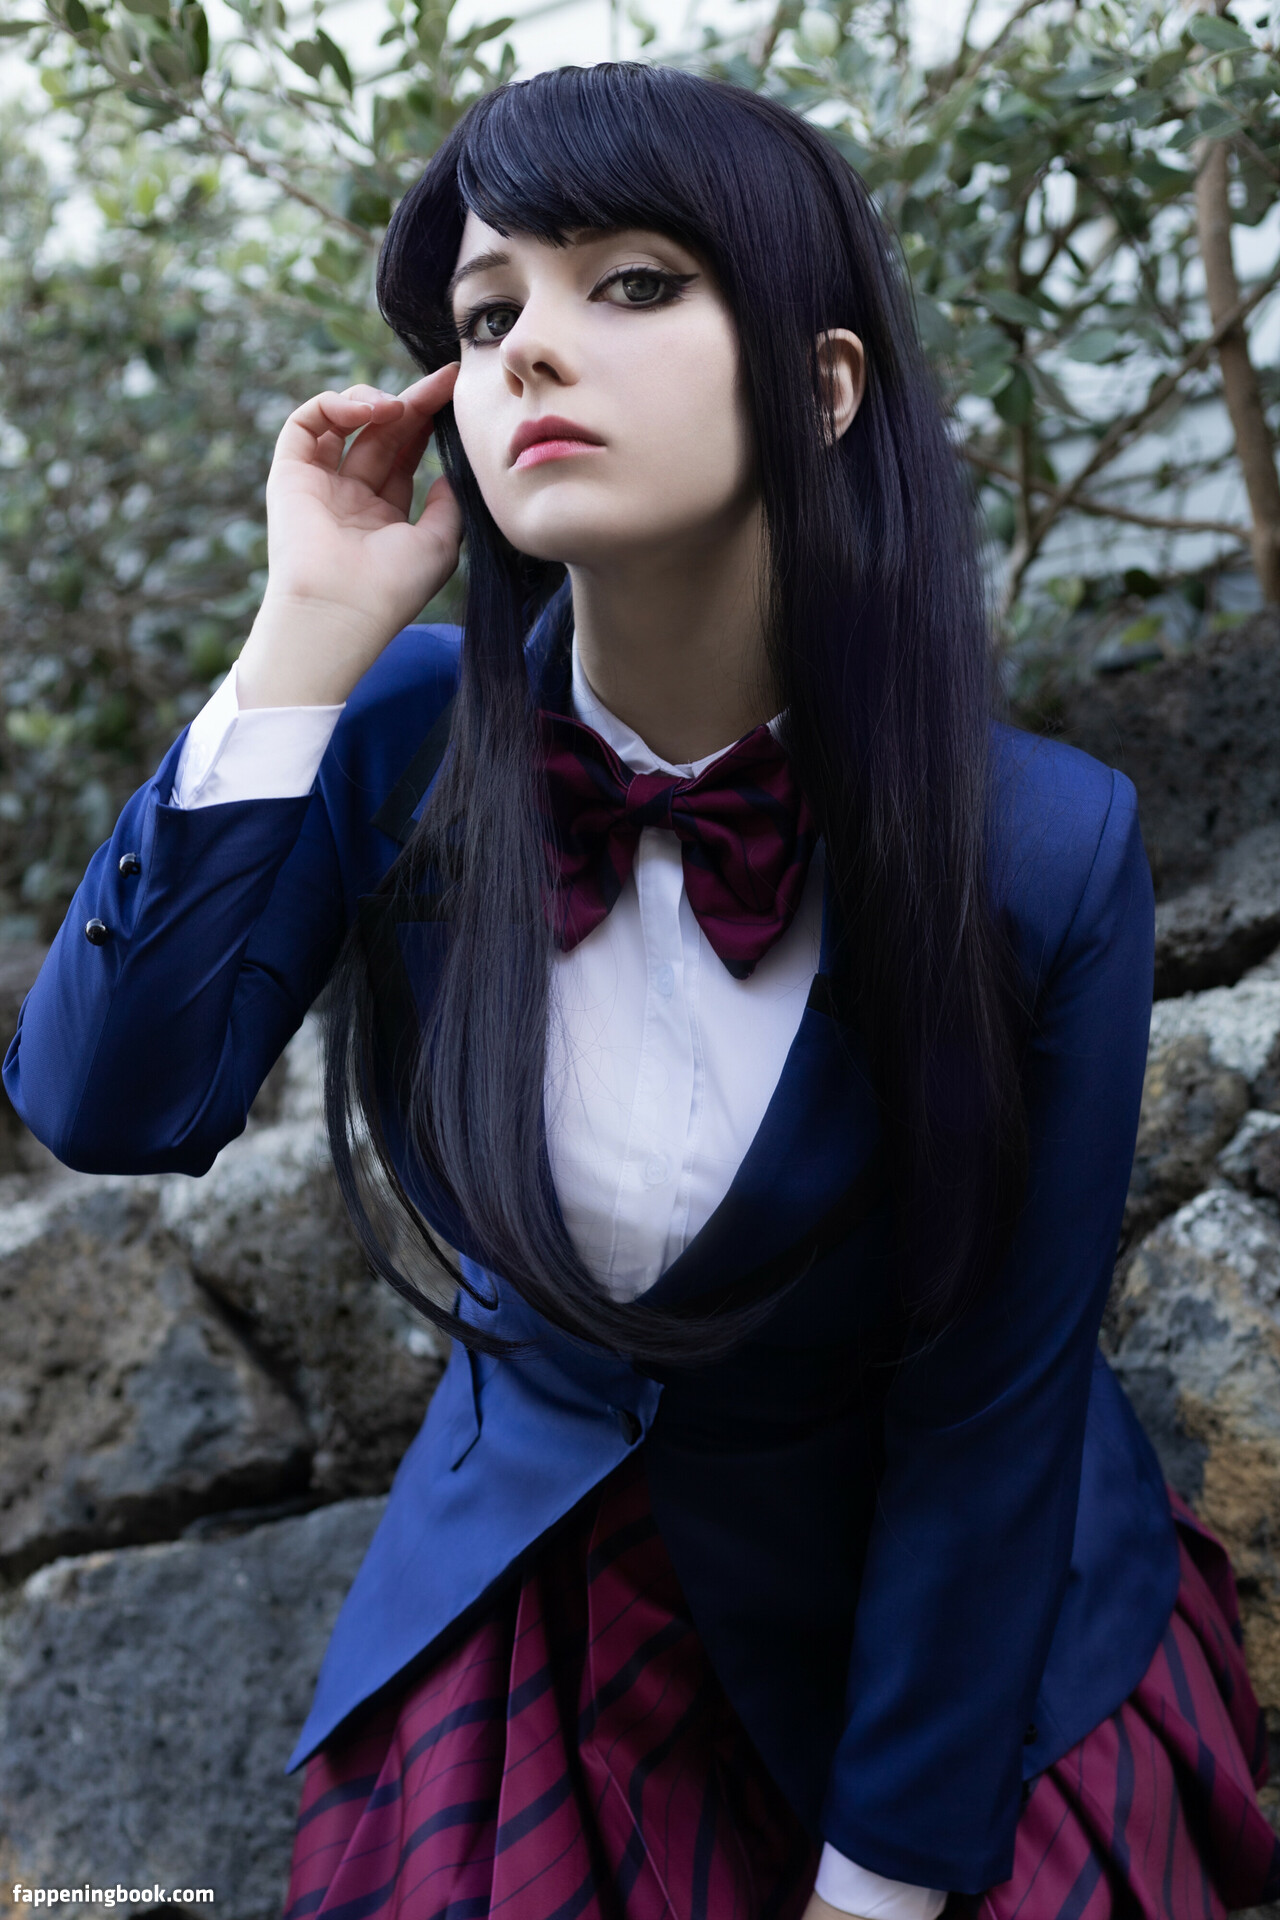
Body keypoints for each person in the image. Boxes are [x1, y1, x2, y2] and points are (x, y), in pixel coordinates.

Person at [5, 59, 1279, 1920]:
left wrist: (877, 1888)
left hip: (951, 1646)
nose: (529, 345)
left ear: (822, 385)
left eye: (631, 283)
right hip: (533, 1608)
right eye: (485, 314)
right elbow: (107, 1103)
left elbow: (990, 1408)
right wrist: (307, 626)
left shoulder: (1038, 846)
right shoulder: (400, 736)